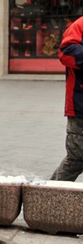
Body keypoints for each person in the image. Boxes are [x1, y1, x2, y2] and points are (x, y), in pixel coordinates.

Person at [51, 15, 83, 181]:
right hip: (80, 105)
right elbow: (66, 53)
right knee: (78, 157)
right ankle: (47, 198)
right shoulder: (80, 25)